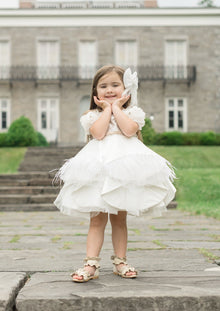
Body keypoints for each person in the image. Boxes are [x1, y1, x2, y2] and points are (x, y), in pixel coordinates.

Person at [54, 65, 176, 283]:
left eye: (115, 85)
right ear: (96, 91)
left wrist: (117, 107)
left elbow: (129, 130)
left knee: (120, 220)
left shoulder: (133, 113)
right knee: (97, 219)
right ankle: (91, 263)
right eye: (103, 86)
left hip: (123, 172)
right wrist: (108, 109)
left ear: (125, 88)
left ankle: (120, 261)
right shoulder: (92, 116)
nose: (109, 90)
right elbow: (99, 133)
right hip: (99, 169)